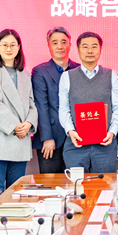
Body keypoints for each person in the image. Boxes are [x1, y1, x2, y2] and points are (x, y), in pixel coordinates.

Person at [0, 29, 38, 190]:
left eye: (13, 45)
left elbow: (32, 104)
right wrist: (15, 126)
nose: (8, 49)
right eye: (4, 45)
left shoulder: (25, 74)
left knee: (17, 191)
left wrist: (29, 123)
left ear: (19, 47)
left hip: (20, 142)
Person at [58, 32, 118, 173]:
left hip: (105, 145)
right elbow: (64, 109)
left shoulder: (111, 75)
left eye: (94, 46)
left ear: (100, 49)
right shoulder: (67, 77)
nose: (90, 51)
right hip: (75, 145)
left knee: (104, 184)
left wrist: (112, 132)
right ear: (78, 50)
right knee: (77, 185)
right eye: (85, 46)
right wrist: (70, 131)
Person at [31, 28, 79, 174]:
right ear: (49, 46)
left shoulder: (79, 69)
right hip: (51, 138)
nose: (60, 46)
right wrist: (47, 138)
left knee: (75, 182)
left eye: (64, 42)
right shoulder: (40, 71)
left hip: (77, 137)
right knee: (50, 183)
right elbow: (41, 106)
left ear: (70, 45)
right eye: (55, 42)